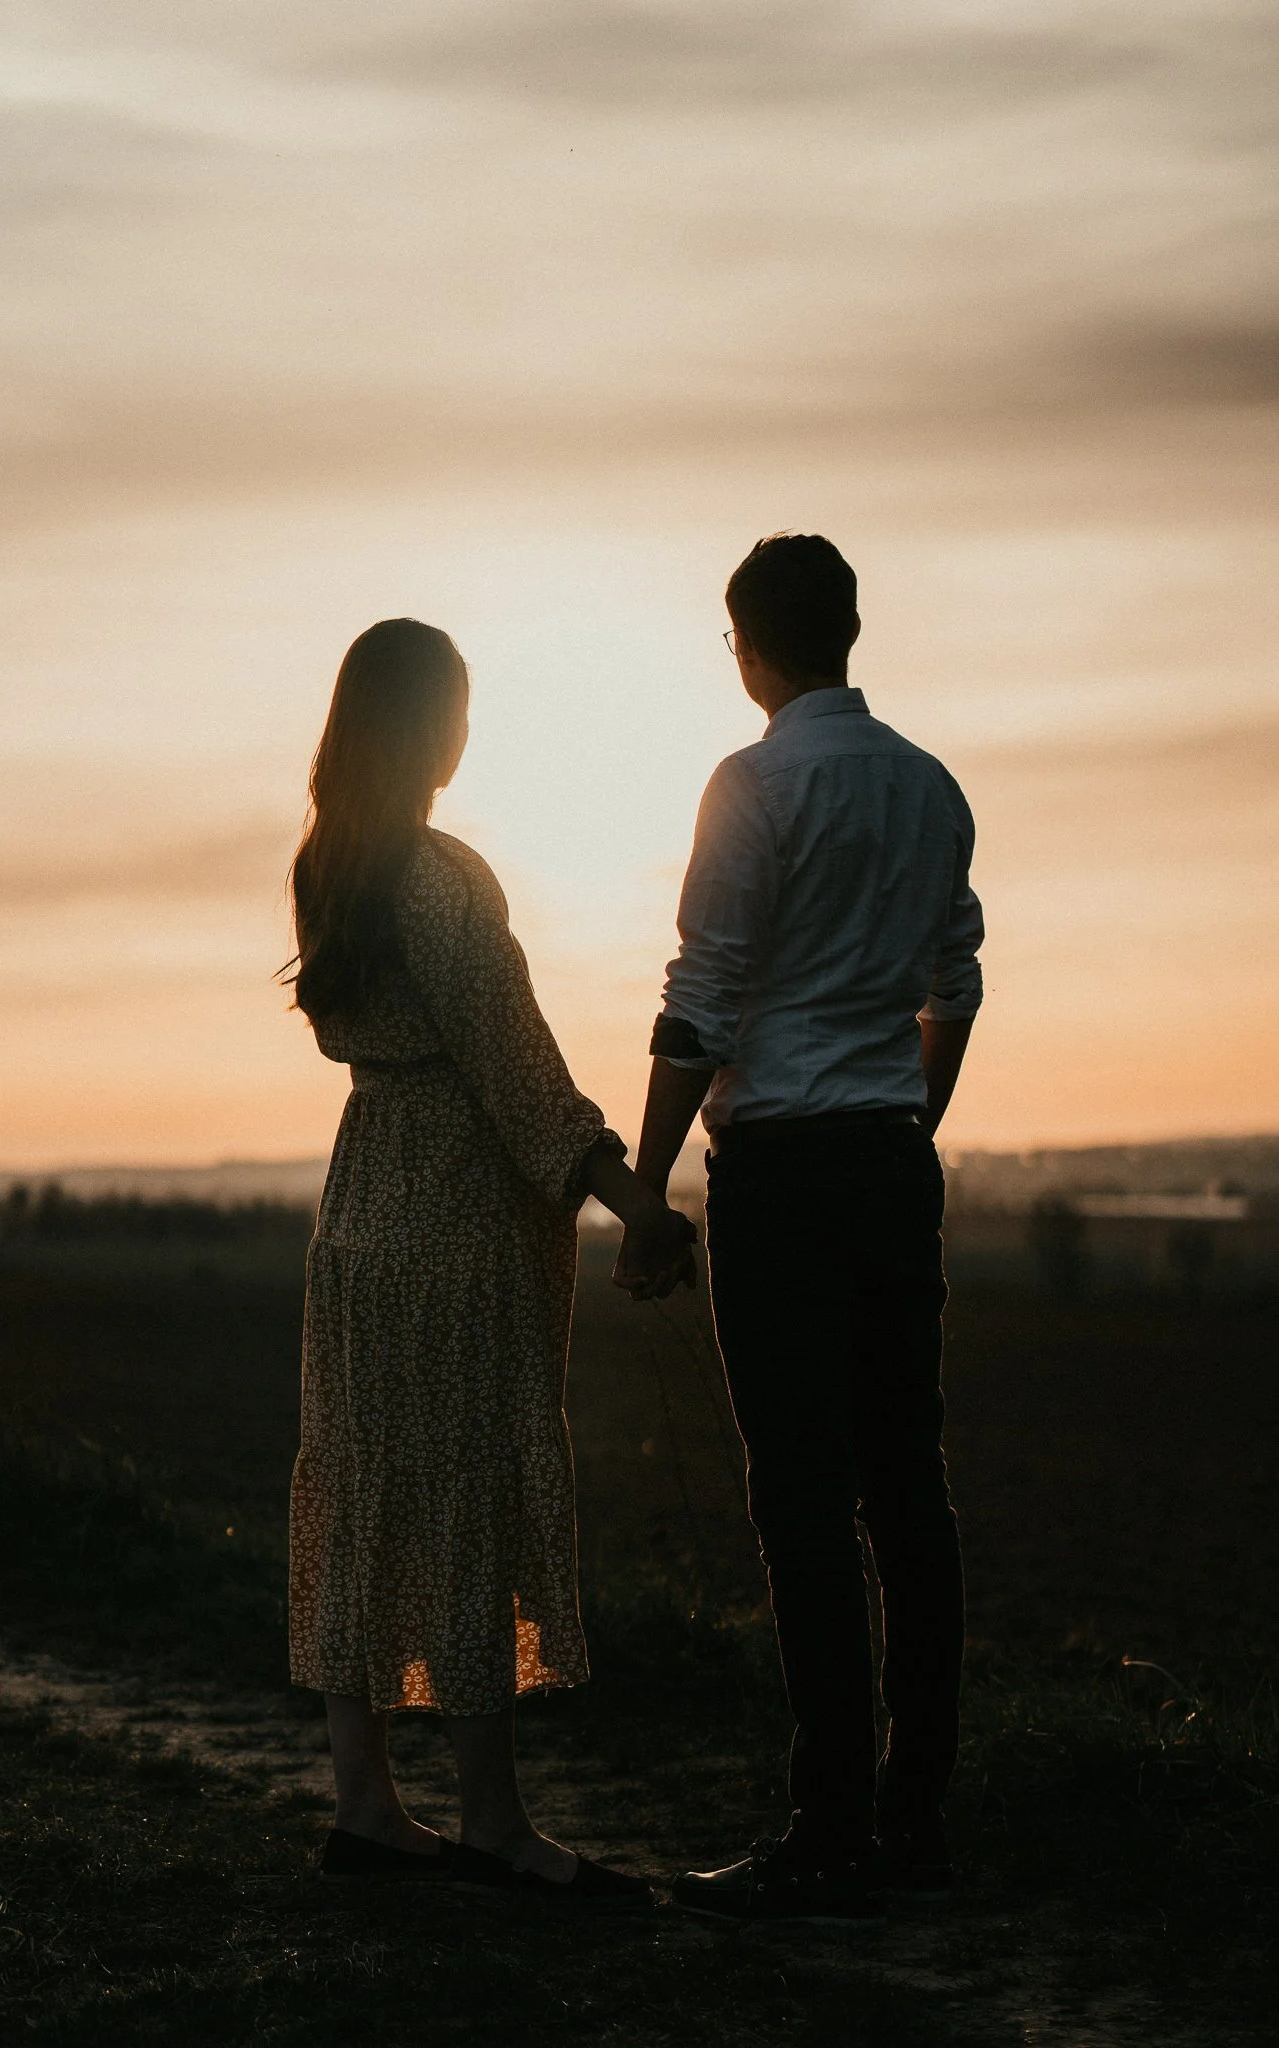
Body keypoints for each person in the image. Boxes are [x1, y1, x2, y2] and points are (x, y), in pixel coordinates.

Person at [285, 617, 693, 1912]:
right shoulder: (436, 881)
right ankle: (498, 1829)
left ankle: (364, 1806)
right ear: (421, 726)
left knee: (366, 1498)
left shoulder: (331, 866)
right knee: (461, 1509)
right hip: (451, 1225)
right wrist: (641, 1202)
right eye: (455, 711)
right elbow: (521, 1077)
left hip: (359, 1211)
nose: (467, 735)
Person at [616, 534, 984, 1925]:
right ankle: (917, 1825)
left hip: (778, 1175)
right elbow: (956, 984)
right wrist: (911, 1119)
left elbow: (699, 998)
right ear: (852, 629)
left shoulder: (753, 785)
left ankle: (826, 1829)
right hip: (891, 1167)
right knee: (909, 1487)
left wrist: (649, 1191)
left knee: (802, 1502)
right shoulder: (929, 785)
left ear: (744, 645)